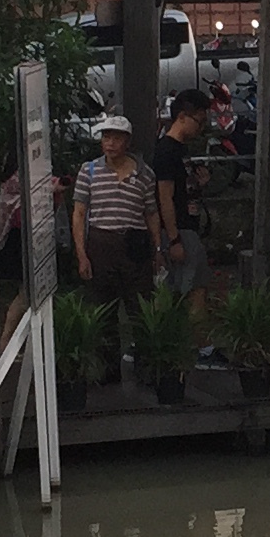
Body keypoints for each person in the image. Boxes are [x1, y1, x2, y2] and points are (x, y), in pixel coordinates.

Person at [72, 116, 158, 376]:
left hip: (134, 244)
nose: (110, 144)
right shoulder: (89, 171)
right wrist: (82, 255)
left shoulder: (145, 174)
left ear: (127, 142)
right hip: (101, 243)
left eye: (116, 138)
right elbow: (78, 213)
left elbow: (151, 213)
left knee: (140, 307)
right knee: (103, 308)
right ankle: (108, 368)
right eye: (106, 137)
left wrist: (157, 249)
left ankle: (146, 365)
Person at [153, 92, 210, 295]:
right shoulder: (166, 151)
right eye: (199, 121)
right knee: (193, 290)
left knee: (194, 287)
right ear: (182, 116)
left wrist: (199, 183)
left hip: (189, 225)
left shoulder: (181, 149)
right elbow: (164, 197)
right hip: (179, 230)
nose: (200, 128)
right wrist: (174, 238)